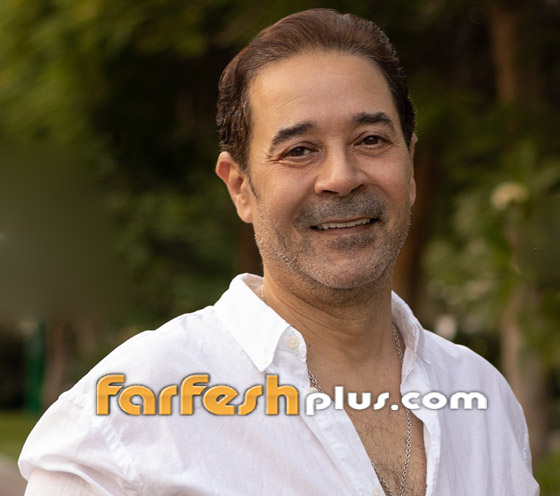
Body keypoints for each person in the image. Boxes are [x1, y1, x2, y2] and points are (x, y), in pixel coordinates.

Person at [19, 9, 539, 496]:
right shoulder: (123, 421)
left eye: (371, 140)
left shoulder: (483, 397)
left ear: (410, 164)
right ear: (240, 187)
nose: (341, 177)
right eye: (299, 150)